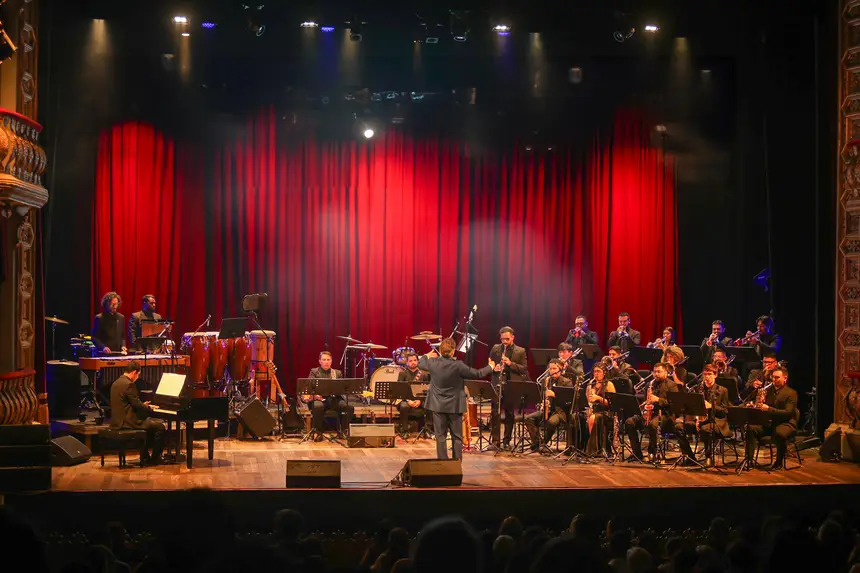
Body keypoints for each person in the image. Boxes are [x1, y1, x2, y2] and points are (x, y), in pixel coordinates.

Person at [418, 338, 493, 460]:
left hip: (437, 405)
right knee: (457, 437)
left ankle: (443, 464)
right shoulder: (458, 365)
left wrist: (427, 355)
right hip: (455, 406)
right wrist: (490, 366)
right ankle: (456, 464)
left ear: (441, 351)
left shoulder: (432, 362)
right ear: (453, 352)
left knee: (440, 437)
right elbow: (478, 373)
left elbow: (420, 363)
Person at [109, 361, 165, 465]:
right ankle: (155, 458)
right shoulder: (129, 384)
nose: (138, 377)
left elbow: (129, 403)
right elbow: (136, 405)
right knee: (159, 426)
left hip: (117, 421)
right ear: (134, 372)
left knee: (148, 424)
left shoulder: (116, 383)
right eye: (138, 375)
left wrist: (142, 404)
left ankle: (145, 457)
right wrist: (148, 407)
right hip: (127, 422)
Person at [624, 362, 681, 462]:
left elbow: (674, 405)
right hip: (650, 413)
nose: (656, 374)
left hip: (665, 415)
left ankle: (652, 453)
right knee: (630, 422)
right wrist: (645, 409)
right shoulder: (649, 384)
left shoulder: (672, 386)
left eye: (659, 372)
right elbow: (647, 401)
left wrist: (658, 400)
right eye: (654, 372)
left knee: (652, 425)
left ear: (666, 373)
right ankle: (637, 453)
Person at [745, 365, 797, 469]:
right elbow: (761, 405)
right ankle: (749, 461)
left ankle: (779, 462)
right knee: (750, 428)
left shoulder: (791, 393)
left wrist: (768, 409)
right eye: (773, 377)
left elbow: (788, 412)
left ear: (785, 378)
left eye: (777, 377)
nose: (774, 380)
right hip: (769, 423)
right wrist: (754, 405)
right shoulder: (767, 390)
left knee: (779, 433)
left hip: (785, 423)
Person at [488, 326, 529, 449]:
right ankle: (495, 441)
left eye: (507, 339)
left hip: (511, 385)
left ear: (512, 337)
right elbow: (490, 361)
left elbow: (524, 369)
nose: (504, 342)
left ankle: (506, 441)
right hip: (497, 383)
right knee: (495, 413)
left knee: (509, 414)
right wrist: (493, 367)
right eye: (502, 339)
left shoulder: (520, 351)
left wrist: (511, 364)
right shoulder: (496, 348)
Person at [301, 351, 355, 440]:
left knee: (349, 407)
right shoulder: (314, 372)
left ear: (331, 361)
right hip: (319, 399)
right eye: (324, 360)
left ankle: (343, 431)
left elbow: (342, 389)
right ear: (320, 361)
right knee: (318, 406)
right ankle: (318, 432)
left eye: (328, 360)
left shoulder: (337, 373)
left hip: (333, 399)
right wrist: (316, 395)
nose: (326, 362)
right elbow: (310, 388)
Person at [524, 359, 572, 450]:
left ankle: (543, 443)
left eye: (554, 368)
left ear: (560, 369)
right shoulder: (546, 380)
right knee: (528, 418)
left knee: (551, 422)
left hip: (560, 411)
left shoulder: (567, 382)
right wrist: (543, 402)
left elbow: (568, 401)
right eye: (550, 369)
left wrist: (555, 395)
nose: (552, 371)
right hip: (548, 409)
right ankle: (537, 442)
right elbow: (542, 396)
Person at [695, 365, 732, 467]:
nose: (706, 377)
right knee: (680, 427)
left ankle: (708, 457)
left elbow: (725, 411)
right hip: (701, 420)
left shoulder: (722, 390)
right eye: (705, 374)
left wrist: (712, 406)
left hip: (717, 421)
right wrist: (696, 420)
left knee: (706, 429)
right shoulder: (699, 388)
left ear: (715, 375)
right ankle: (690, 457)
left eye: (709, 374)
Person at [396, 353, 432, 438]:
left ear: (418, 361)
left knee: (430, 405)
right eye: (410, 361)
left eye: (415, 360)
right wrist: (409, 401)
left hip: (420, 400)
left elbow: (427, 391)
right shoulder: (402, 374)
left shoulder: (424, 374)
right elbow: (399, 391)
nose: (413, 362)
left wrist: (420, 400)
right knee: (404, 406)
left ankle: (428, 430)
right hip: (406, 400)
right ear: (407, 363)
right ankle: (404, 431)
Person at [585, 363, 616, 456]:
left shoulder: (609, 384)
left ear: (604, 373)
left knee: (593, 418)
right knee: (578, 417)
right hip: (595, 410)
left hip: (607, 413)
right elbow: (588, 400)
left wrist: (598, 398)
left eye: (599, 371)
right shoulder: (591, 384)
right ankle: (584, 447)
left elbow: (612, 403)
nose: (596, 374)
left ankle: (594, 450)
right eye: (595, 371)